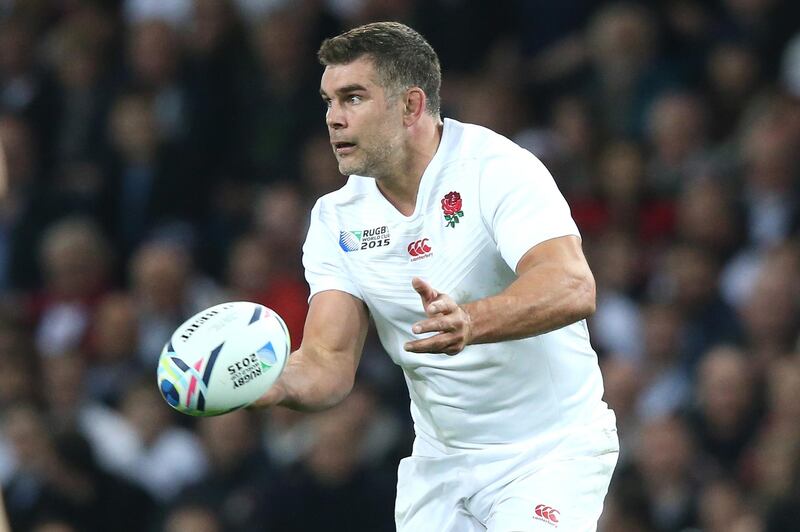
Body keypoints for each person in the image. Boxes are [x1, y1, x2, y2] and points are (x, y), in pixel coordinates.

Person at [255, 21, 619, 531]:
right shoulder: (335, 219)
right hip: (442, 463)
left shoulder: (496, 169)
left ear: (412, 106)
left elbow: (572, 285)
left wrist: (471, 320)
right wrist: (264, 382)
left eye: (353, 98)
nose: (334, 119)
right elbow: (328, 364)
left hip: (549, 451)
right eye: (328, 101)